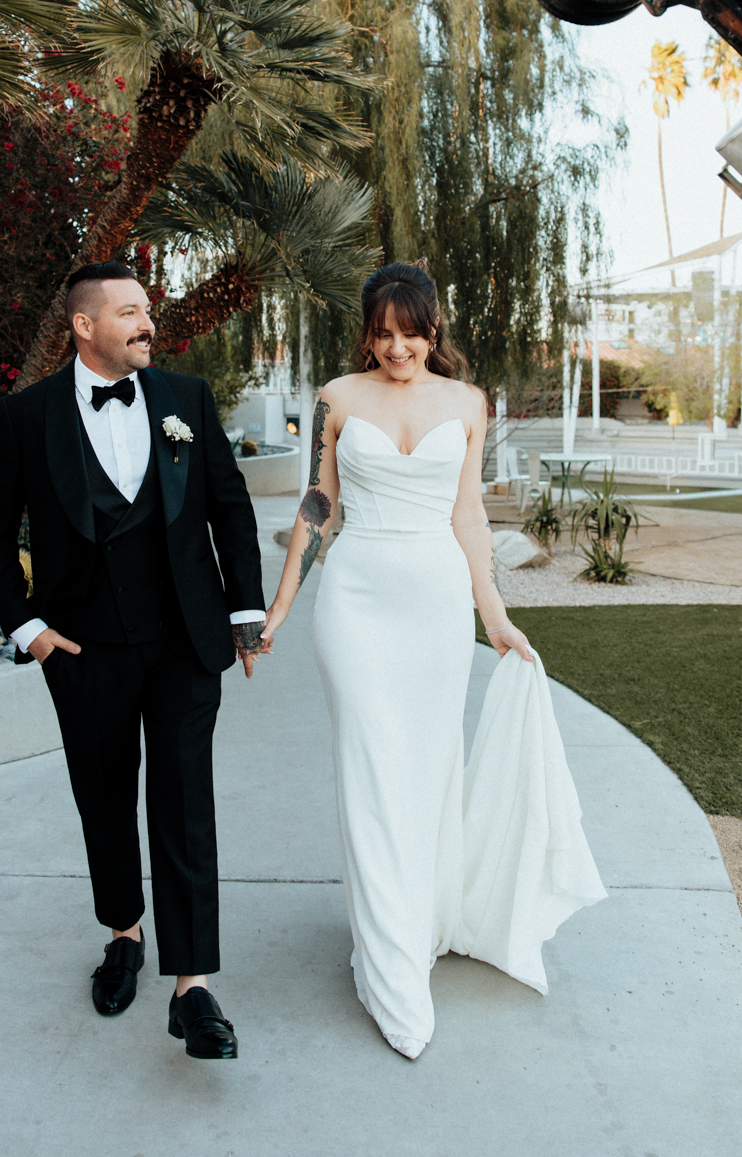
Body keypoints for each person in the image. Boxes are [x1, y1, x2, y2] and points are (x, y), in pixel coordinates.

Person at [257, 261, 605, 1059]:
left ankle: (422, 918)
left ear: (432, 329)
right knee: (371, 771)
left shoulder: (469, 404)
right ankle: (388, 966)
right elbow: (316, 508)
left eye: (408, 331)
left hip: (437, 606)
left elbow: (469, 516)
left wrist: (496, 619)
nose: (395, 347)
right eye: (381, 332)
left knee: (426, 768)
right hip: (355, 601)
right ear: (366, 333)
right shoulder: (337, 399)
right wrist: (279, 606)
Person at [0, 261, 267, 1060]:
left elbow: (229, 508)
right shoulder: (27, 416)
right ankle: (123, 936)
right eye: (130, 312)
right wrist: (26, 627)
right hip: (84, 647)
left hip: (181, 642)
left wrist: (243, 611)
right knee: (103, 799)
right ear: (84, 325)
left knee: (182, 806)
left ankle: (193, 989)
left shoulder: (186, 400)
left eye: (147, 310)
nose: (147, 323)